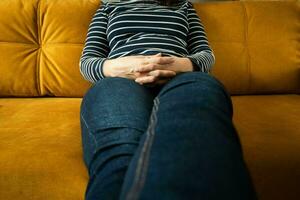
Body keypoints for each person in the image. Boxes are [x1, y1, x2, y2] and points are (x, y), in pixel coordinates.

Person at [79, 0, 258, 199]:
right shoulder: (108, 6)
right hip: (121, 81)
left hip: (182, 78)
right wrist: (122, 68)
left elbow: (206, 56)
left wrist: (177, 65)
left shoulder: (184, 6)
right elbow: (88, 61)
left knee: (195, 130)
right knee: (120, 149)